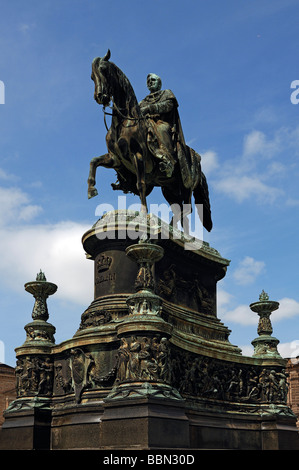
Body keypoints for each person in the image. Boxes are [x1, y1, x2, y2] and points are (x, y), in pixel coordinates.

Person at [139, 73, 188, 178]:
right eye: (148, 82)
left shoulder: (166, 93)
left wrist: (149, 108)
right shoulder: (143, 101)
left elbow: (168, 106)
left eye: (153, 80)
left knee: (161, 129)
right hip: (147, 124)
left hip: (163, 123)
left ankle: (168, 160)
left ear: (159, 83)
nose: (150, 82)